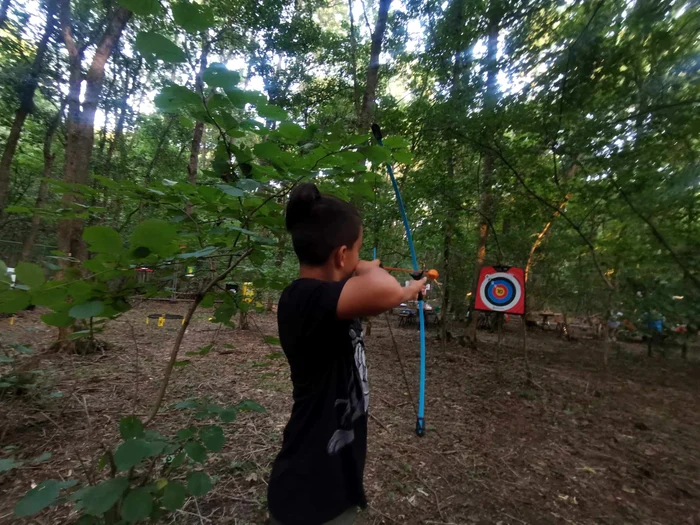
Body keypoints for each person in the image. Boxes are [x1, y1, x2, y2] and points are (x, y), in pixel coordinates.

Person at [268, 183, 426, 525]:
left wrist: (411, 289)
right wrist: (368, 269)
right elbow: (385, 289)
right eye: (355, 251)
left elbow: (389, 292)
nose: (359, 261)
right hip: (308, 489)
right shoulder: (302, 299)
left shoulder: (326, 299)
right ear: (341, 256)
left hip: (333, 474)